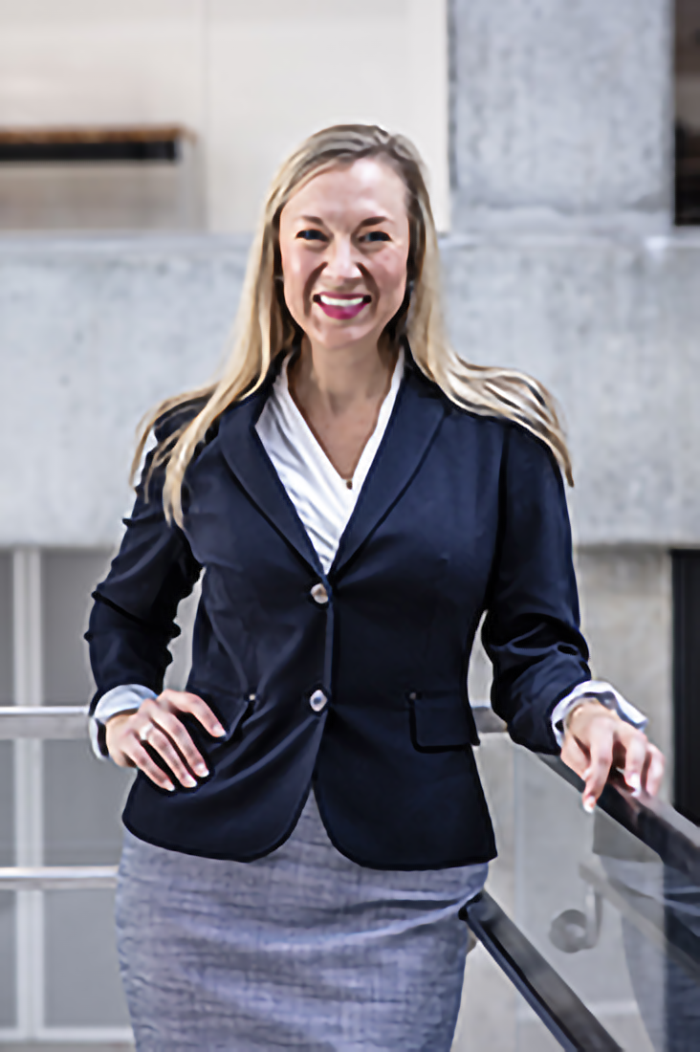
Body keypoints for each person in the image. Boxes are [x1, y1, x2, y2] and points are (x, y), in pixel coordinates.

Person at [86, 124, 664, 1052]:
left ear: (414, 250)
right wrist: (121, 705)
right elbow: (126, 610)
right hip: (200, 874)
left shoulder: (500, 439)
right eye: (313, 234)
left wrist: (585, 713)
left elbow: (536, 646)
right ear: (278, 249)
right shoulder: (199, 439)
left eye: (372, 235)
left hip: (401, 878)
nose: (341, 265)